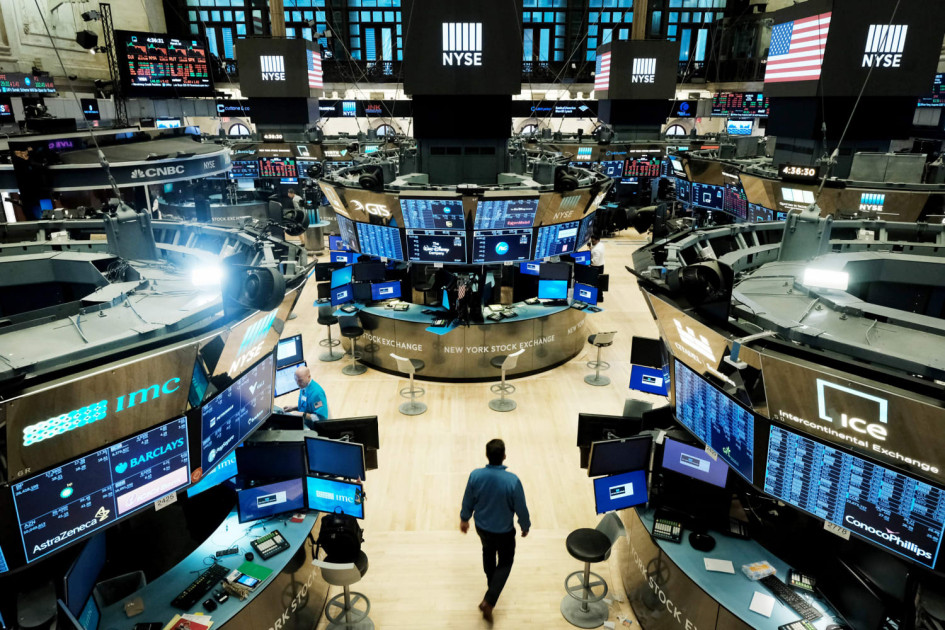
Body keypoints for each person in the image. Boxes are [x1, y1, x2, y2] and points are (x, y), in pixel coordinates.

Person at [460, 439, 530, 623]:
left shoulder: (475, 476)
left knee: (488, 551)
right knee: (506, 562)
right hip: (504, 532)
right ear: (504, 456)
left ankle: (492, 588)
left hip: (482, 528)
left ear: (487, 456)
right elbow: (521, 508)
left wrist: (464, 518)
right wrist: (525, 525)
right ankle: (489, 600)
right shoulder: (512, 481)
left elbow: (468, 499)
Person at [284, 365, 329, 429]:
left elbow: (321, 419)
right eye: (295, 380)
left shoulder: (317, 393)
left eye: (300, 380)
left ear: (309, 377)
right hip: (303, 421)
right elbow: (308, 406)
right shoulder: (304, 386)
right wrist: (294, 408)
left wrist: (303, 414)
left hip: (313, 427)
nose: (298, 383)